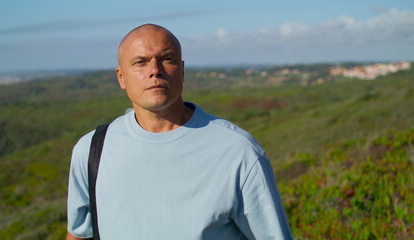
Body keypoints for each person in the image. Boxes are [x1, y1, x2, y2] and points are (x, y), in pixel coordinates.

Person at [66, 24, 293, 240]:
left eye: (167, 59)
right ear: (121, 77)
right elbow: (78, 234)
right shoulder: (92, 150)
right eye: (140, 62)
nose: (155, 71)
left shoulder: (238, 152)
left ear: (182, 70)